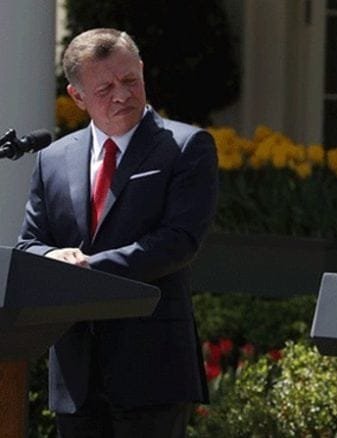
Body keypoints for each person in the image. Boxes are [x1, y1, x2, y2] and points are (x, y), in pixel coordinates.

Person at [16, 28, 218, 437]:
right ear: (77, 97)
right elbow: (30, 245)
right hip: (75, 371)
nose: (122, 95)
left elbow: (179, 241)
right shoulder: (53, 159)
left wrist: (87, 269)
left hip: (152, 368)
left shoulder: (185, 146)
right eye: (105, 88)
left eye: (130, 80)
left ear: (141, 70)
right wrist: (52, 258)